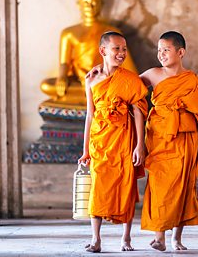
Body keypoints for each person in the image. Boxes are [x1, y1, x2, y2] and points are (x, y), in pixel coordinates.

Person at [140, 31, 198, 251]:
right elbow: (126, 88)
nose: (161, 54)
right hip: (160, 138)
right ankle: (159, 237)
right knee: (160, 186)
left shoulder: (193, 81)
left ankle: (176, 238)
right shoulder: (152, 75)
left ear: (180, 52)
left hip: (186, 139)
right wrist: (102, 74)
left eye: (166, 50)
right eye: (159, 50)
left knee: (182, 187)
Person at [77, 31, 148, 253]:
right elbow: (90, 114)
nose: (121, 53)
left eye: (124, 49)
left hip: (124, 140)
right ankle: (96, 239)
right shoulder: (91, 79)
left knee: (126, 187)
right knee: (97, 188)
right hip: (100, 141)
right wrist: (85, 148)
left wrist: (140, 145)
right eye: (116, 48)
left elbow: (139, 113)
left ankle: (126, 238)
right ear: (103, 51)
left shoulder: (130, 79)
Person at [40, 0, 137, 105]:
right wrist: (62, 77)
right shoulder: (69, 33)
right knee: (46, 86)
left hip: (106, 79)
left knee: (128, 87)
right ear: (79, 4)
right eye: (86, 2)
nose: (90, 6)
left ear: (101, 4)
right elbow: (64, 63)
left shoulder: (111, 31)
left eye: (94, 2)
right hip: (80, 81)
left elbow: (127, 67)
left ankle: (95, 93)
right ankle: (93, 95)